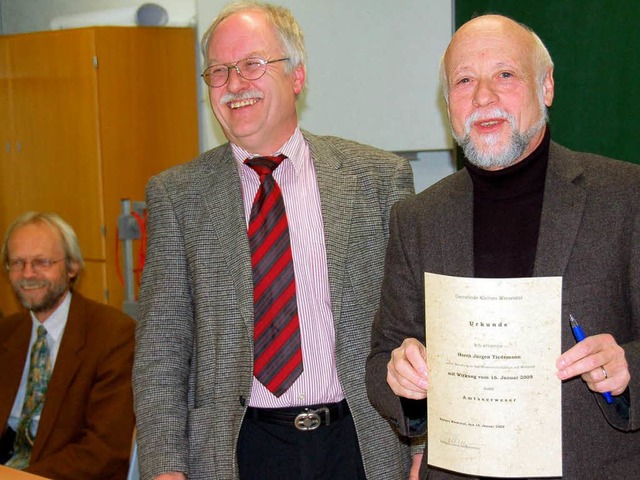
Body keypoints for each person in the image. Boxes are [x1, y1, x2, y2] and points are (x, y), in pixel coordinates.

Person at [133, 1, 416, 480]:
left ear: (297, 76)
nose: (234, 84)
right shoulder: (177, 195)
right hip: (236, 452)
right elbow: (162, 347)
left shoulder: (378, 179)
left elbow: (413, 327)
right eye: (219, 71)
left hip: (358, 444)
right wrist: (165, 468)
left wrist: (422, 445)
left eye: (252, 64)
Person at [366, 13, 640, 480]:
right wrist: (401, 377)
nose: (483, 97)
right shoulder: (416, 218)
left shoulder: (624, 195)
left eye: (505, 75)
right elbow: (381, 361)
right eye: (464, 80)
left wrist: (627, 365)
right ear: (447, 101)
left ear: (546, 87)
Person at [0, 211, 136, 479]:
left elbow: (105, 450)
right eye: (17, 262)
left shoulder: (113, 334)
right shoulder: (6, 333)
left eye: (42, 262)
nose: (27, 274)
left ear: (72, 267)